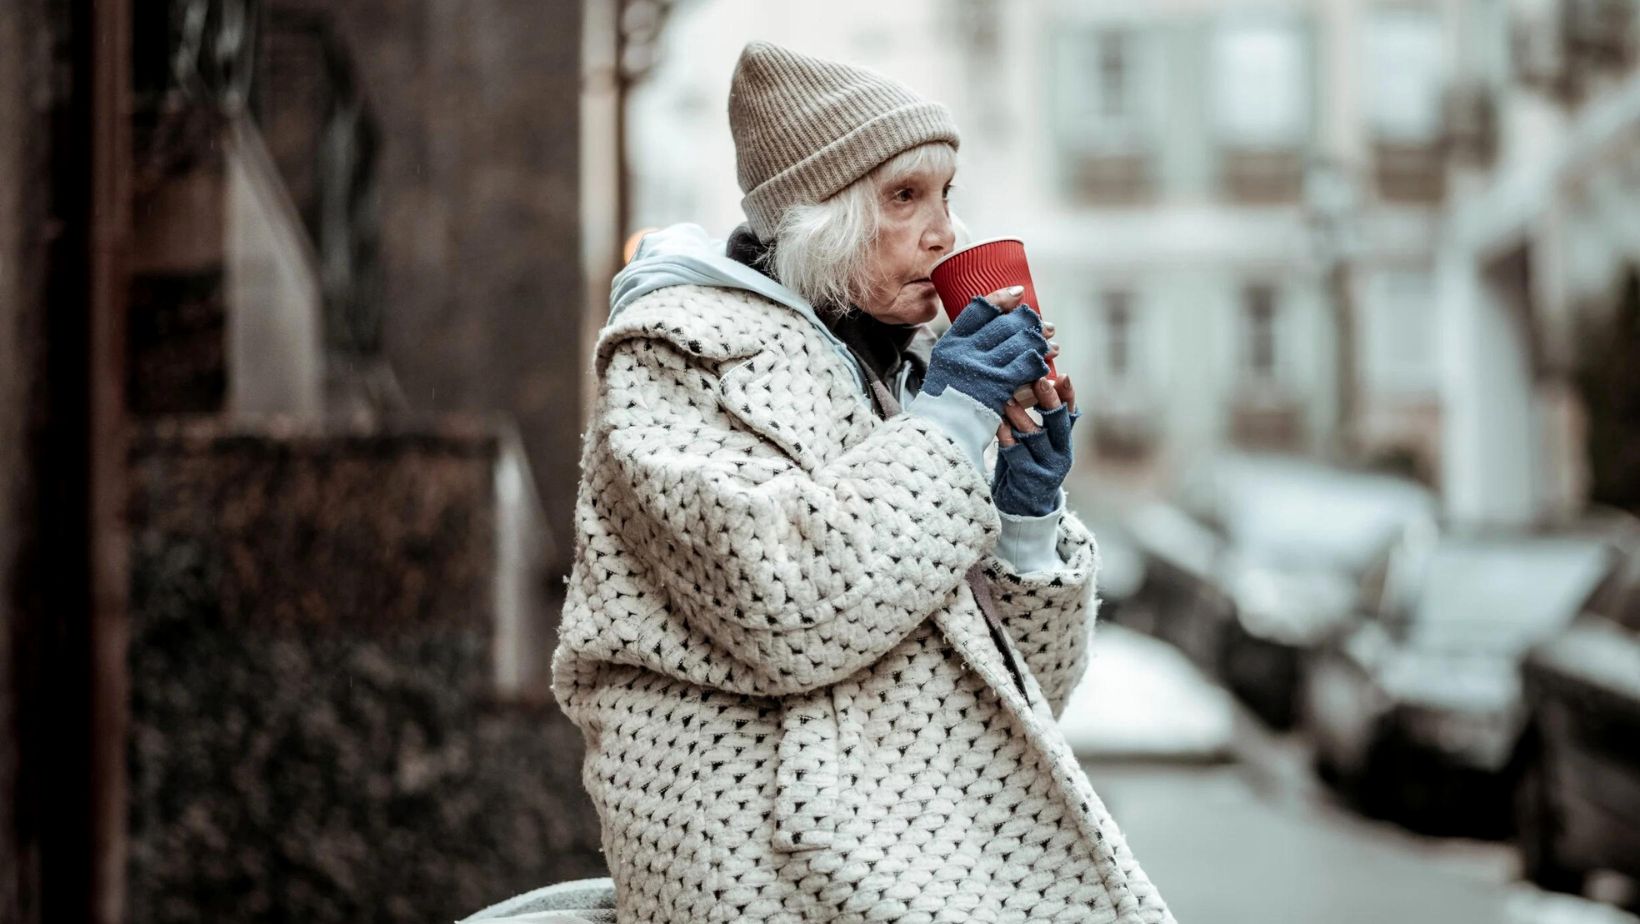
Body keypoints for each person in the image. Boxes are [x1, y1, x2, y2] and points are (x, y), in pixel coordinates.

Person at [550, 40, 1175, 924]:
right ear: (821, 215)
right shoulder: (678, 356)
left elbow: (1018, 698)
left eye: (946, 195)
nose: (944, 233)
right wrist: (951, 425)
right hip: (770, 865)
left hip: (917, 847)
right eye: (904, 197)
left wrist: (1026, 518)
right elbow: (788, 606)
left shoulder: (903, 378)